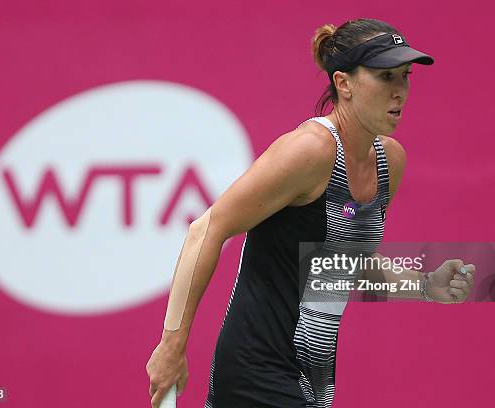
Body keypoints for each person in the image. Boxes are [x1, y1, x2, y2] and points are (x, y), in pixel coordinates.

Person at [146, 18, 475, 408]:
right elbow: (205, 231)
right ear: (344, 83)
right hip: (256, 370)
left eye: (404, 76)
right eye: (385, 77)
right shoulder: (309, 151)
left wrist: (424, 285)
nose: (400, 91)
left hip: (311, 382)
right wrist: (172, 345)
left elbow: (340, 264)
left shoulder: (390, 161)